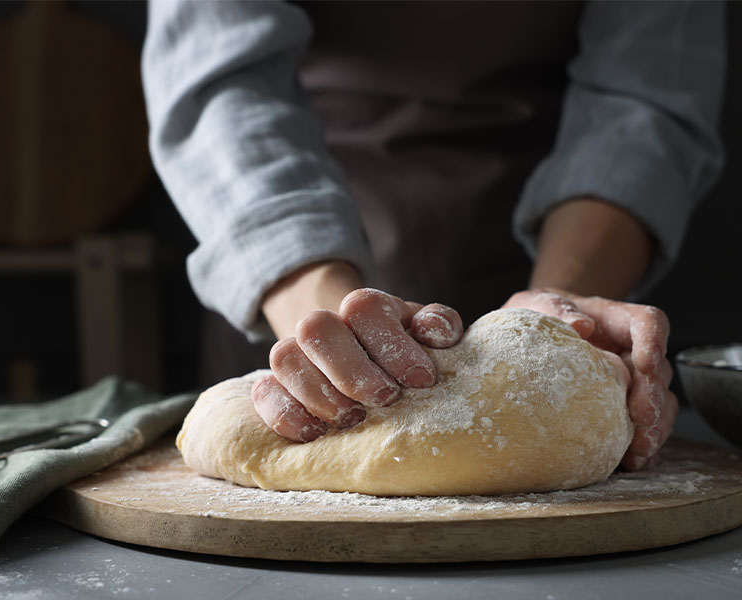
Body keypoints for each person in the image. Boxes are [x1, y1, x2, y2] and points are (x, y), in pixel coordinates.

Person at [141, 1, 725, 471]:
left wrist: (560, 326)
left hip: (548, 219)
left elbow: (642, 95)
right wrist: (327, 326)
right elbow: (221, 86)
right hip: (298, 243)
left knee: (553, 406)